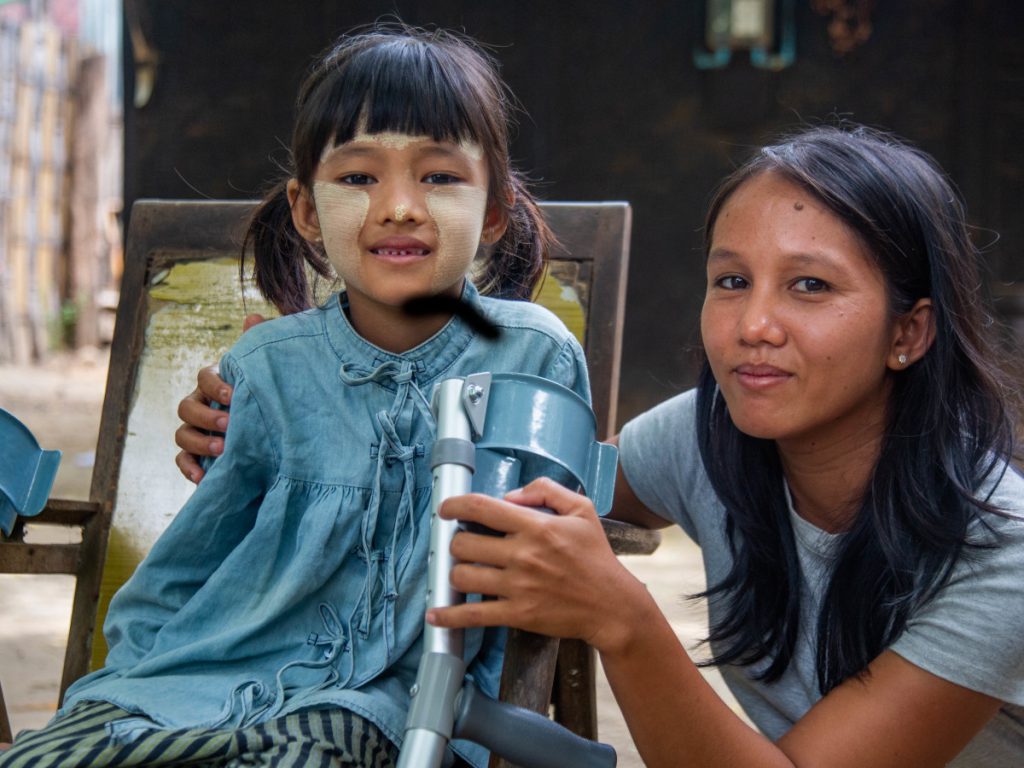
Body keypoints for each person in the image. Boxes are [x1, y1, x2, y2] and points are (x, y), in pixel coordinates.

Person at [178, 124, 1023, 766]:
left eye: (810, 286)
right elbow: (523, 484)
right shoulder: (707, 439)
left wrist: (621, 617)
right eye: (732, 281)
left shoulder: (1002, 553)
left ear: (908, 332)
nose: (753, 326)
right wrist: (278, 420)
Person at [0, 25, 592, 768]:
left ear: (495, 211)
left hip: (382, 705)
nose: (400, 206)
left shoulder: (530, 353)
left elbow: (557, 546)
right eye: (358, 177)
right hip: (198, 678)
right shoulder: (269, 365)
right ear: (307, 211)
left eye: (439, 176)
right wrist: (137, 667)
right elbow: (196, 556)